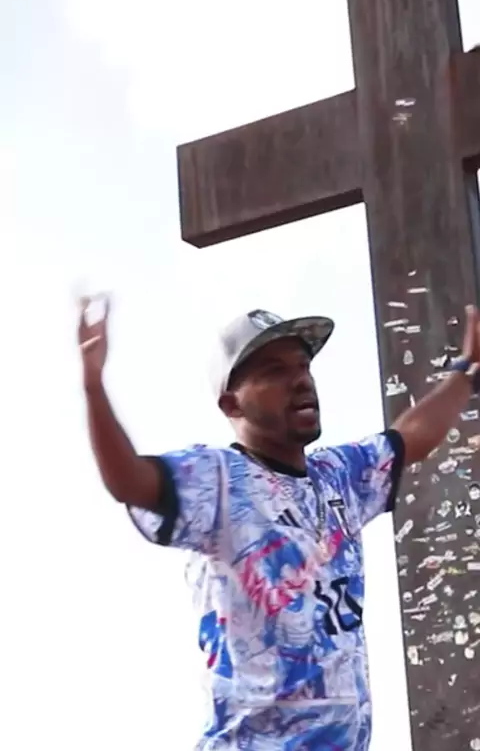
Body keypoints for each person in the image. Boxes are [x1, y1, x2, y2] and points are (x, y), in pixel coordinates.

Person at [79, 298, 480, 751]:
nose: (300, 380)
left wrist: (467, 369)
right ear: (231, 403)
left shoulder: (339, 476)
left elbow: (412, 436)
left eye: (303, 366)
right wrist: (93, 389)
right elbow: (129, 480)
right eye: (274, 371)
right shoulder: (217, 481)